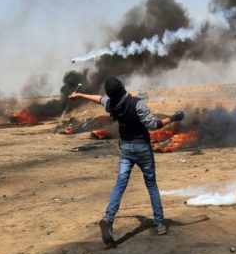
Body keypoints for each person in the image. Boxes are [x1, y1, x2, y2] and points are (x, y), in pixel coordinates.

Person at [69, 77, 185, 245]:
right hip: (142, 149)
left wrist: (79, 95)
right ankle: (160, 224)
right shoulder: (136, 103)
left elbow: (98, 99)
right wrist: (173, 118)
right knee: (151, 184)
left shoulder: (112, 105)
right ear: (123, 88)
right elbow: (152, 125)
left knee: (120, 184)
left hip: (126, 149)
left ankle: (108, 218)